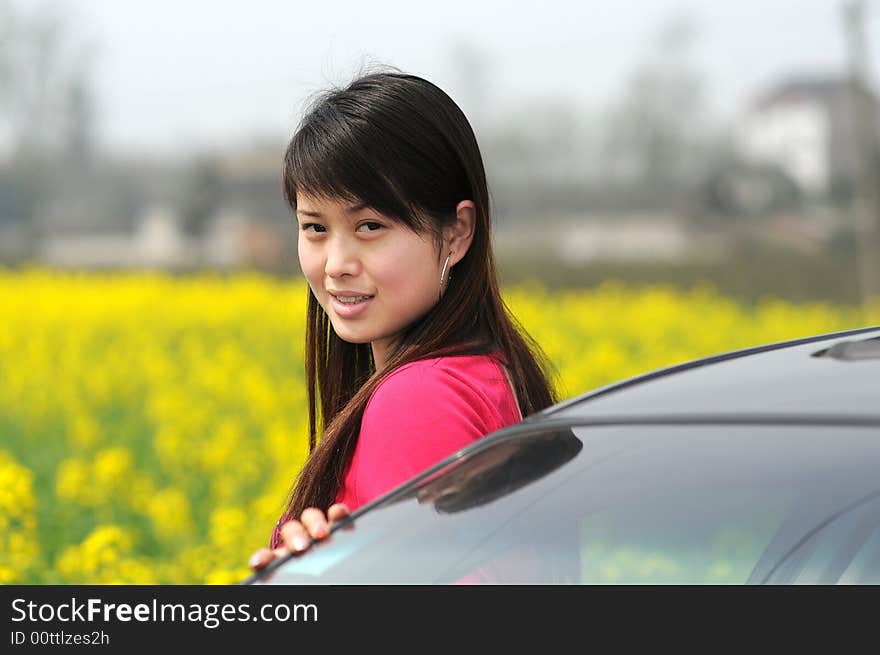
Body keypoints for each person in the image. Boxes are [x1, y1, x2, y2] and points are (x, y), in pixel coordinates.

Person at [247, 68, 557, 573]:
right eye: (315, 228)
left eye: (370, 226)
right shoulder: (490, 374)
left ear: (457, 233)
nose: (336, 262)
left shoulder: (420, 398)